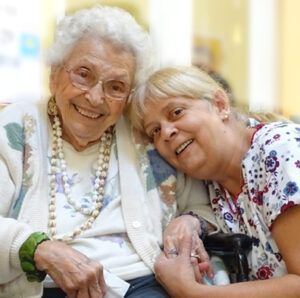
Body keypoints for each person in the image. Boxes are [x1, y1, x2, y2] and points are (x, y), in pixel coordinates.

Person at [0, 7, 217, 298]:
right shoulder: (14, 128)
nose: (95, 97)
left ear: (128, 97)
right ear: (54, 74)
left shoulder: (147, 133)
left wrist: (189, 221)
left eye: (116, 86)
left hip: (143, 284)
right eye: (83, 75)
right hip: (44, 287)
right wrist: (39, 248)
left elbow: (205, 207)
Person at [128, 65, 300, 297]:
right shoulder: (214, 184)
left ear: (220, 105)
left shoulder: (280, 149)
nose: (166, 132)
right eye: (155, 131)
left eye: (176, 112)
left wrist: (191, 292)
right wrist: (189, 220)